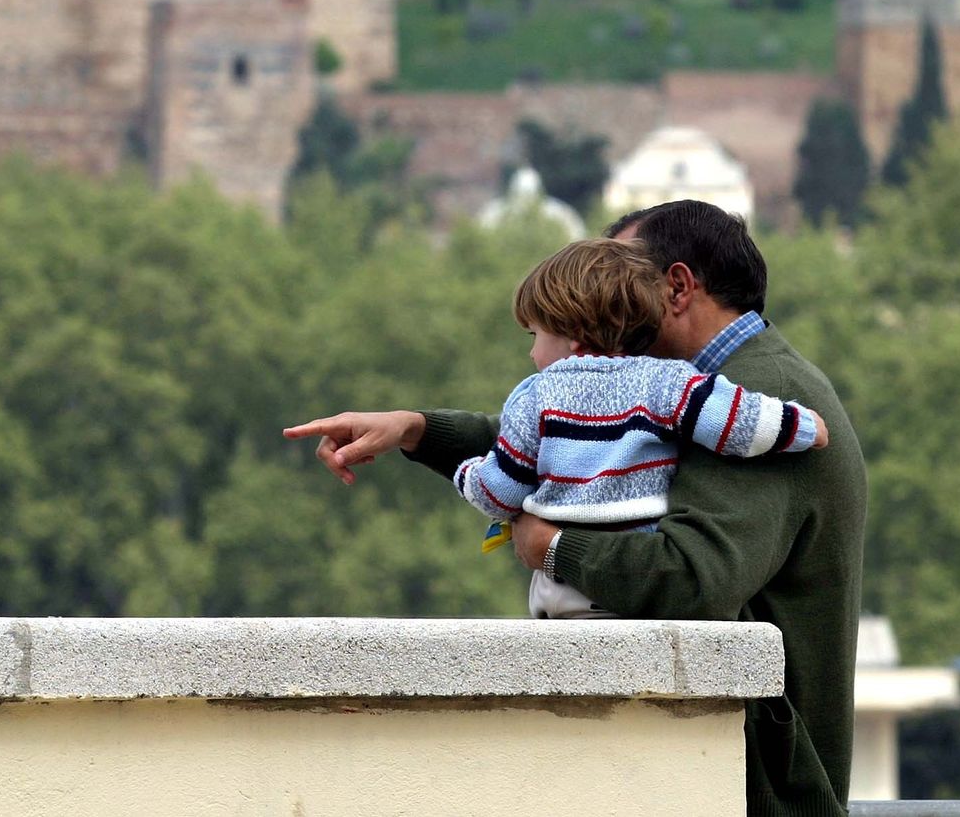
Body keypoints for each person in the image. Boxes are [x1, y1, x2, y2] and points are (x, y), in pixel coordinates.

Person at [284, 200, 866, 817]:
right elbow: (576, 447)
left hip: (755, 782)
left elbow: (695, 578)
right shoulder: (698, 389)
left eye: (621, 278)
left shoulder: (764, 392)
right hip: (710, 771)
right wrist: (415, 430)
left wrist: (554, 547)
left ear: (675, 288)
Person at [455, 236, 826, 619]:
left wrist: (467, 475)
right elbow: (738, 423)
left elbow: (500, 492)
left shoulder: (535, 395)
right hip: (631, 580)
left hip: (561, 584)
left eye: (536, 335)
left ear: (574, 335)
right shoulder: (669, 381)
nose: (533, 352)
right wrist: (802, 426)